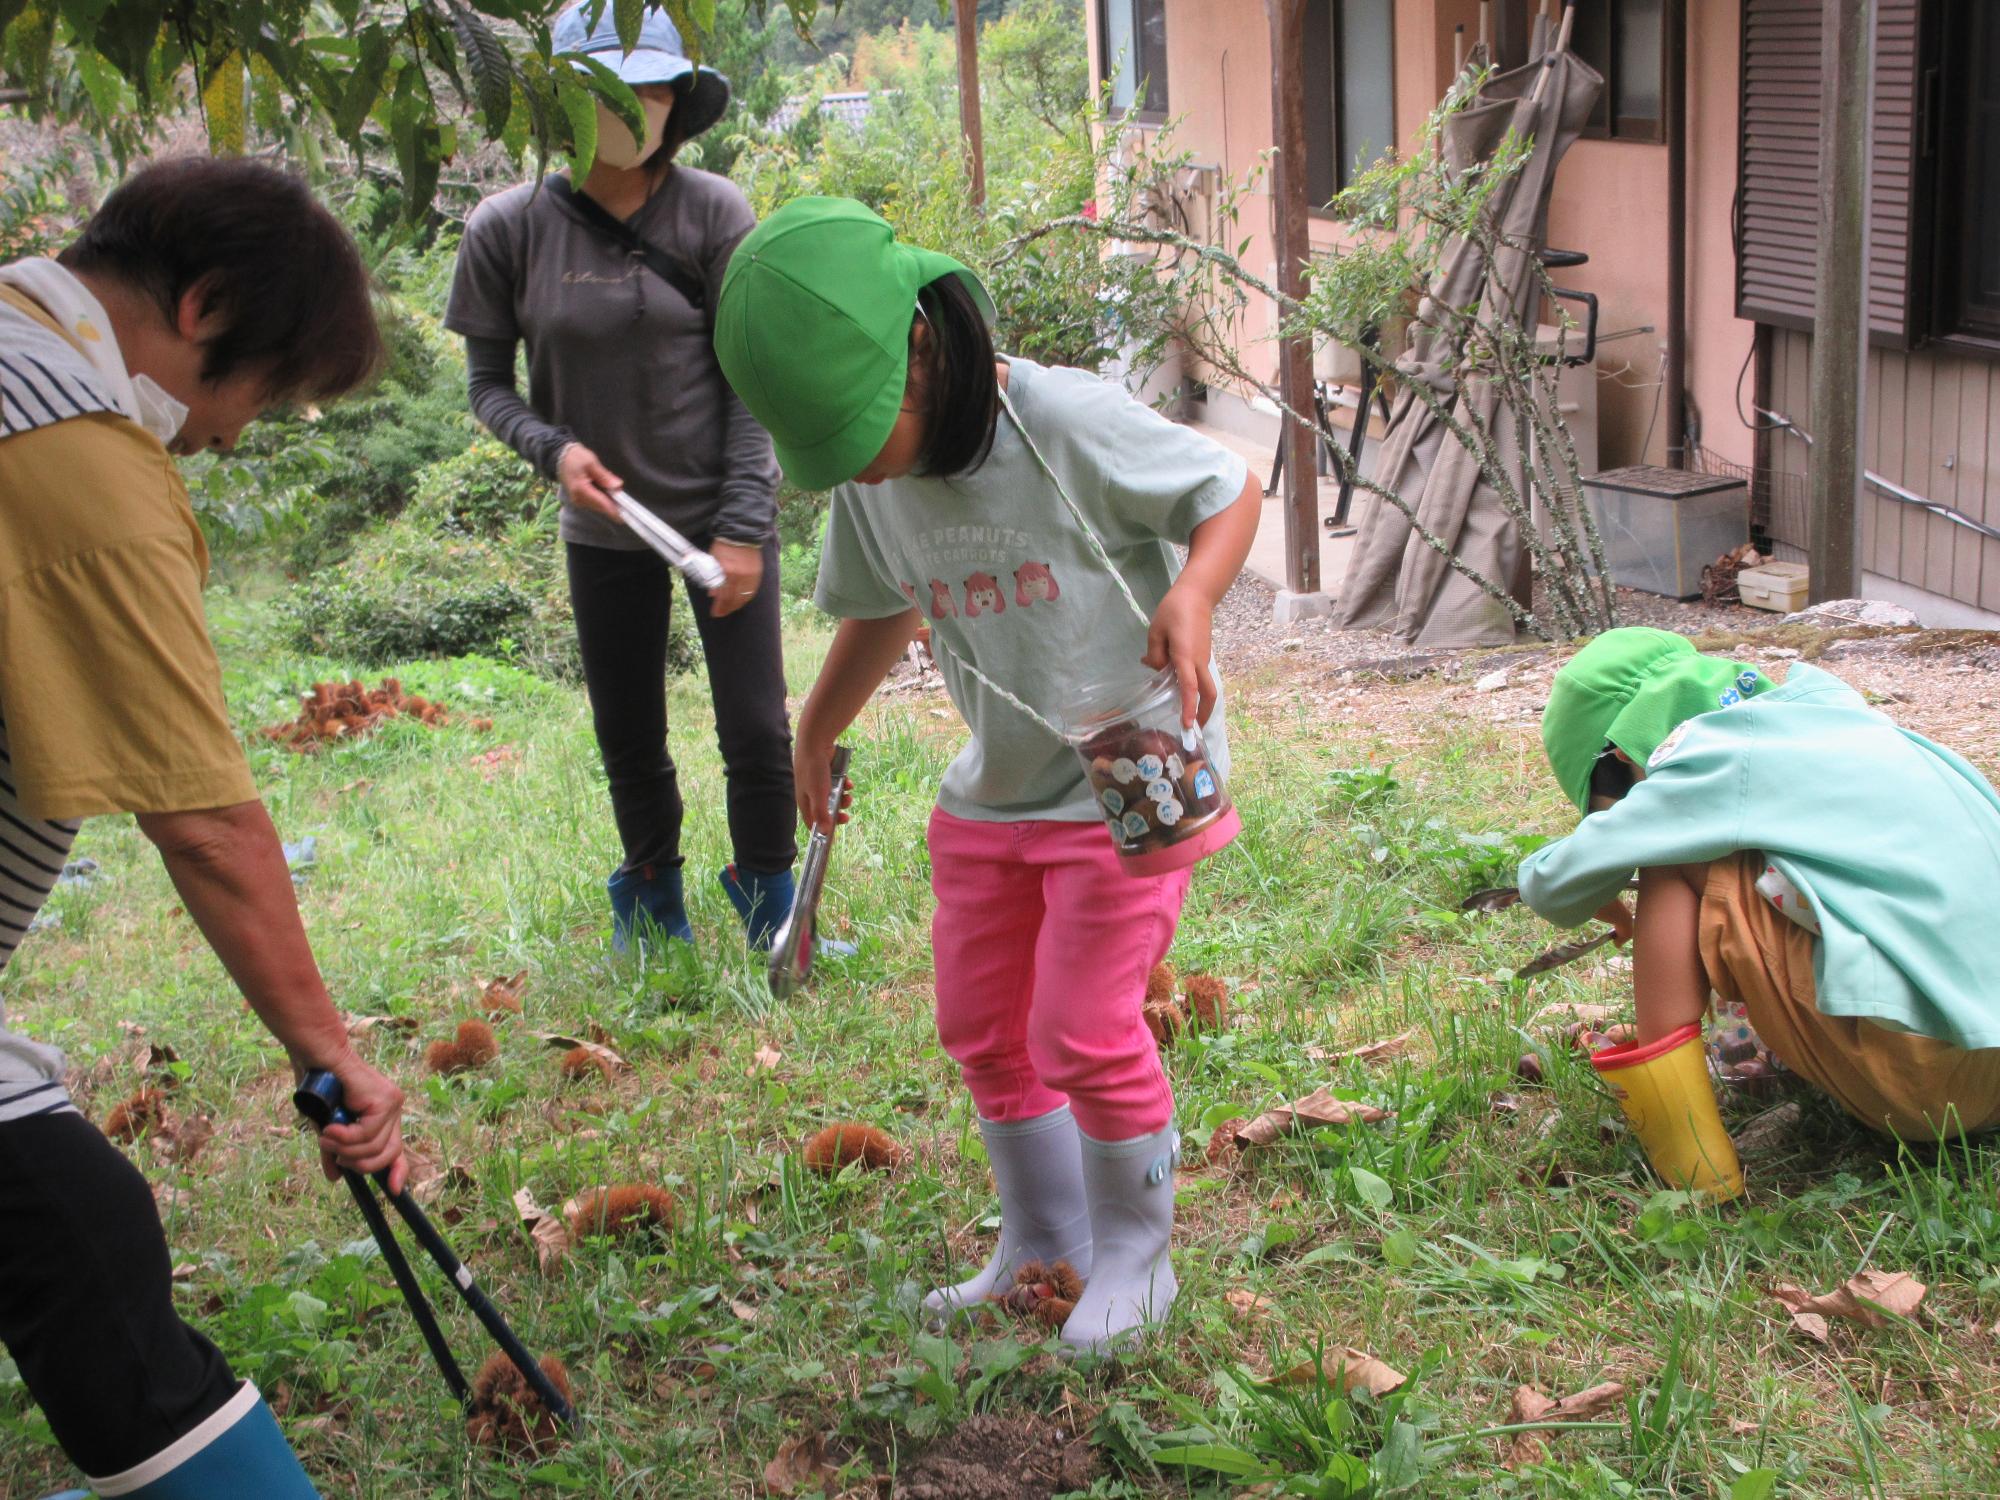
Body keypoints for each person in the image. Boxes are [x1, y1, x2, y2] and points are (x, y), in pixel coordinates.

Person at [712, 198, 1262, 1352]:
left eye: (863, 431)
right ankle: (1044, 1237)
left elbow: (1225, 488)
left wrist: (1193, 594)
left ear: (921, 350)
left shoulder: (1057, 419)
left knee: (1081, 1026)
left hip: (1125, 785)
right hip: (995, 790)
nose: (854, 465)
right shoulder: (869, 481)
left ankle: (1136, 1254)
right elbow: (880, 607)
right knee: (982, 1025)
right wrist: (813, 727)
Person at [0, 160, 408, 1497]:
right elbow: (208, 823)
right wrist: (333, 1055)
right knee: (77, 1237)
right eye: (262, 397)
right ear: (204, 304)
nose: (230, 436)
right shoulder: (69, 447)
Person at [446, 1, 805, 952]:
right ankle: (653, 909)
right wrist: (553, 450)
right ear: (564, 99)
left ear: (679, 98)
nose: (635, 102)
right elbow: (487, 388)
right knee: (630, 733)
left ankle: (774, 906)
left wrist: (740, 524)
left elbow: (750, 378)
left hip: (720, 514)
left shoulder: (715, 212)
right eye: (614, 83)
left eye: (655, 83)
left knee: (758, 730)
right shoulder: (508, 227)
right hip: (607, 526)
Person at [1518, 626, 2000, 1199]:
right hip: (1982, 1050)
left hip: (1927, 1081)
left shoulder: (1704, 757)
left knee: (1676, 861)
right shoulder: (1838, 724)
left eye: (1608, 808)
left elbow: (1549, 886)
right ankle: (1750, 1051)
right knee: (1774, 883)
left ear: (1623, 755)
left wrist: (1611, 873)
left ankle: (1690, 1157)